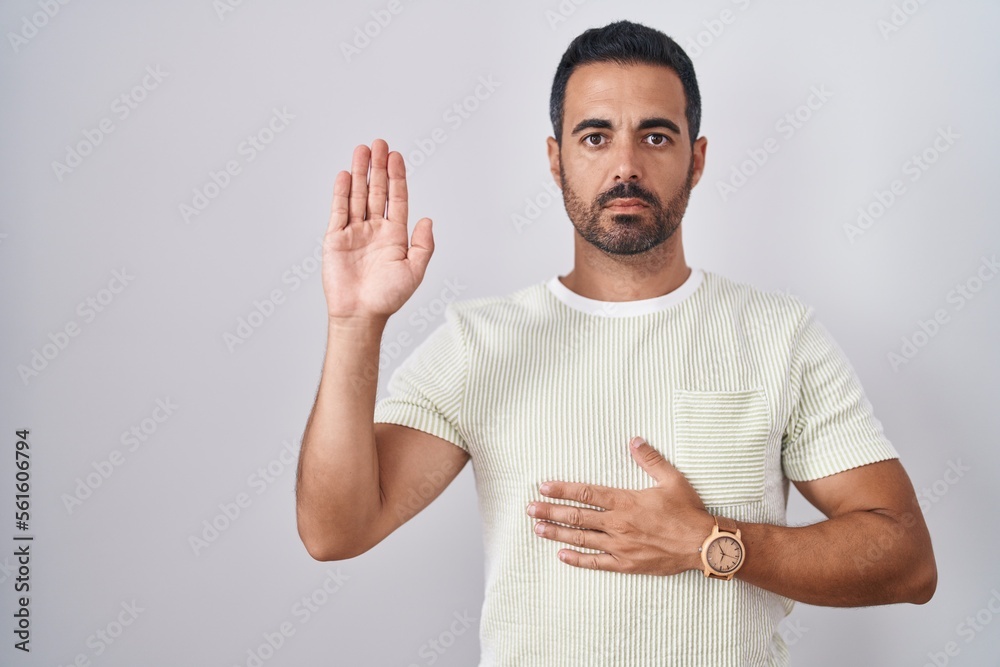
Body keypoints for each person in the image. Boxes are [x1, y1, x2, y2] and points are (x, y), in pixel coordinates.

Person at [295, 19, 936, 666]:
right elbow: (335, 529)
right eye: (595, 136)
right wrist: (355, 325)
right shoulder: (480, 343)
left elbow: (907, 558)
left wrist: (709, 542)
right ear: (555, 159)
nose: (625, 166)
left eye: (656, 136)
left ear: (699, 156)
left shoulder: (779, 336)